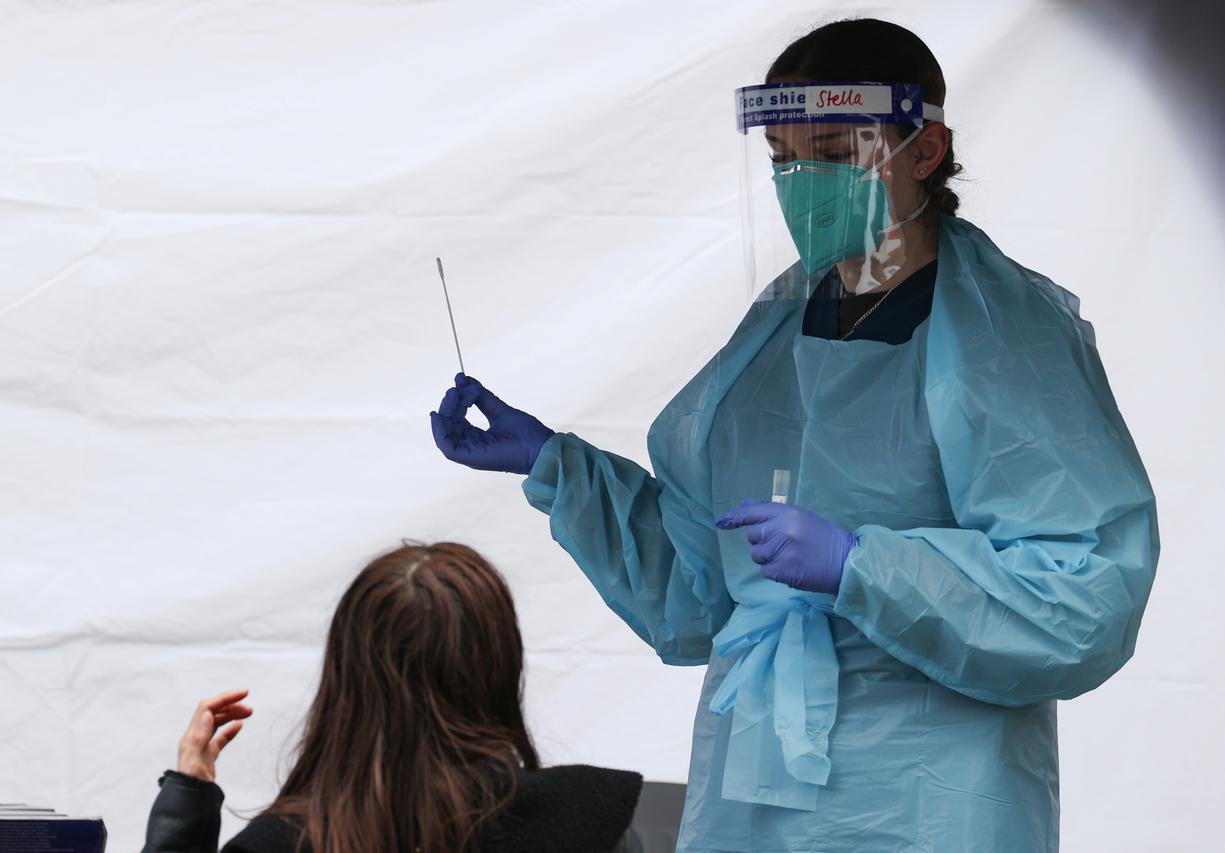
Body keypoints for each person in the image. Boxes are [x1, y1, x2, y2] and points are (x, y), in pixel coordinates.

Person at [431, 17, 1159, 853]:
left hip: (928, 791)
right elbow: (701, 589)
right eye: (783, 161)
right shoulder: (779, 331)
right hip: (757, 781)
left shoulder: (1005, 339)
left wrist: (863, 567)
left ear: (926, 149)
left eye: (836, 158)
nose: (803, 185)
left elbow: (1083, 594)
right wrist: (556, 466)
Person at [140, 542, 645, 853]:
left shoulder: (287, 842)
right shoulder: (589, 822)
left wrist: (188, 800)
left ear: (347, 681)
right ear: (499, 664)